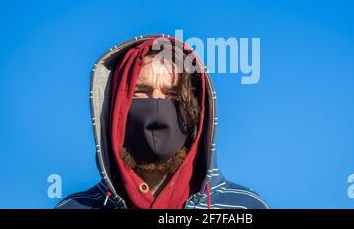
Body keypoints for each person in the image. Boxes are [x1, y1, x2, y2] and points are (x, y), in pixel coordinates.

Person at [57, 35, 268, 209]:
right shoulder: (75, 207)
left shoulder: (245, 207)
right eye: (141, 92)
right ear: (115, 109)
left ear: (197, 111)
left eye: (172, 94)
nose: (157, 105)